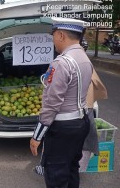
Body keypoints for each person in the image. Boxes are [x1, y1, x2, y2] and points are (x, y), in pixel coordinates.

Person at [30, 17, 93, 188]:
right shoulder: (84, 59)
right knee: (72, 169)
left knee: (56, 174)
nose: (53, 41)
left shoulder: (61, 62)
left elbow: (51, 104)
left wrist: (37, 136)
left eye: (54, 36)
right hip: (81, 123)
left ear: (61, 35)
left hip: (63, 128)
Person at [33, 69, 108, 175]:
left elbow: (52, 100)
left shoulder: (63, 64)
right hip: (83, 110)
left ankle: (55, 169)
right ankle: (71, 171)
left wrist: (37, 136)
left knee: (60, 143)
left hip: (71, 112)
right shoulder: (83, 62)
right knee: (79, 144)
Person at [79, 69, 107, 171]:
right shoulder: (84, 61)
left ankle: (77, 169)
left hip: (82, 105)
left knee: (85, 138)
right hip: (85, 105)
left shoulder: (74, 60)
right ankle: (77, 169)